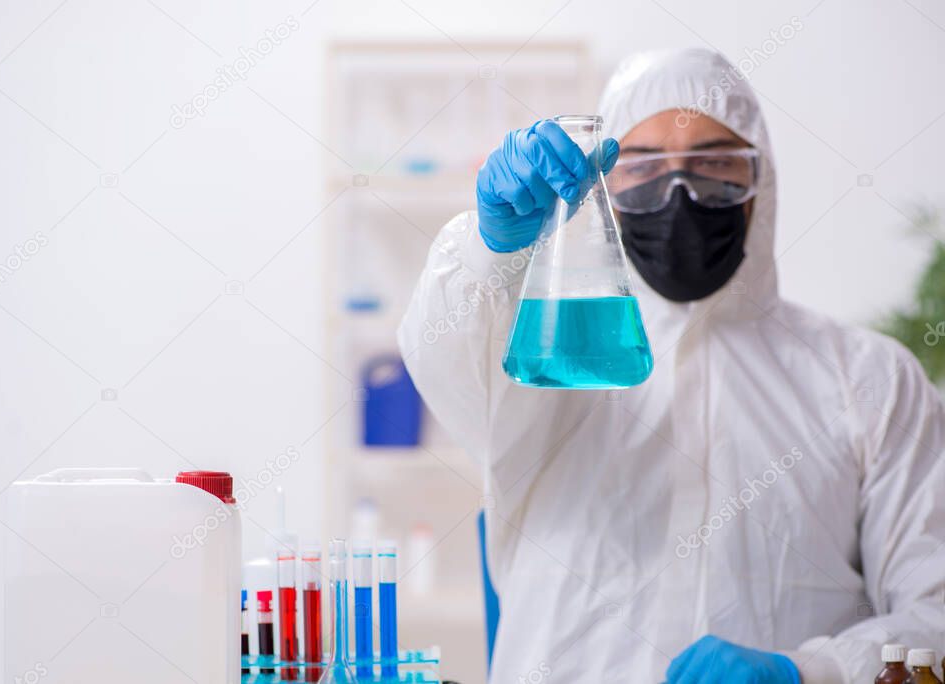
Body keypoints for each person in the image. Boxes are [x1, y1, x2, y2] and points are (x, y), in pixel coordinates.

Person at [397, 48, 945, 683]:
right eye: (643, 167)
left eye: (715, 165)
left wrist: (811, 671)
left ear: (759, 182)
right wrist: (490, 253)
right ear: (602, 183)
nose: (680, 193)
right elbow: (441, 355)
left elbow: (934, 610)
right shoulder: (551, 355)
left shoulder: (871, 380)